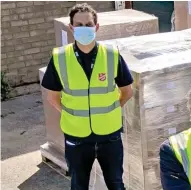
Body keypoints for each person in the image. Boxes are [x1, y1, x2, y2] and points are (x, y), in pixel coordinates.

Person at [41, 3, 133, 190]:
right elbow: (52, 97)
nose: (84, 29)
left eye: (88, 24)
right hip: (77, 136)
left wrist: (110, 110)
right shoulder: (60, 57)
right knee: (78, 184)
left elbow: (127, 91)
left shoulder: (111, 55)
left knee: (116, 184)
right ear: (71, 27)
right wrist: (72, 114)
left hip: (110, 135)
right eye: (79, 25)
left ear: (96, 27)